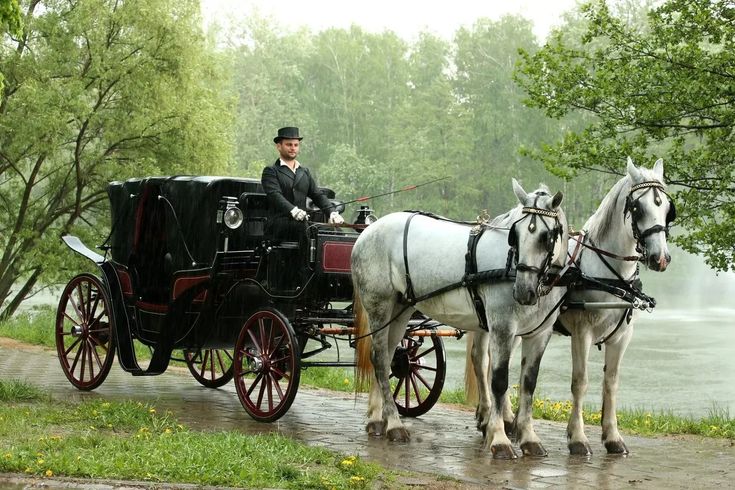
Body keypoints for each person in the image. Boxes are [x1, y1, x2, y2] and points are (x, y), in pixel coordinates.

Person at [261, 126, 345, 243]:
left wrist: (332, 212)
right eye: (289, 145)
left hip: (302, 223)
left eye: (296, 145)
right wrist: (293, 211)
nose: (293, 148)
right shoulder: (271, 171)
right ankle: (305, 261)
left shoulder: (304, 172)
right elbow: (275, 196)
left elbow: (317, 195)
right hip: (279, 225)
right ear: (279, 146)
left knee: (335, 231)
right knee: (304, 228)